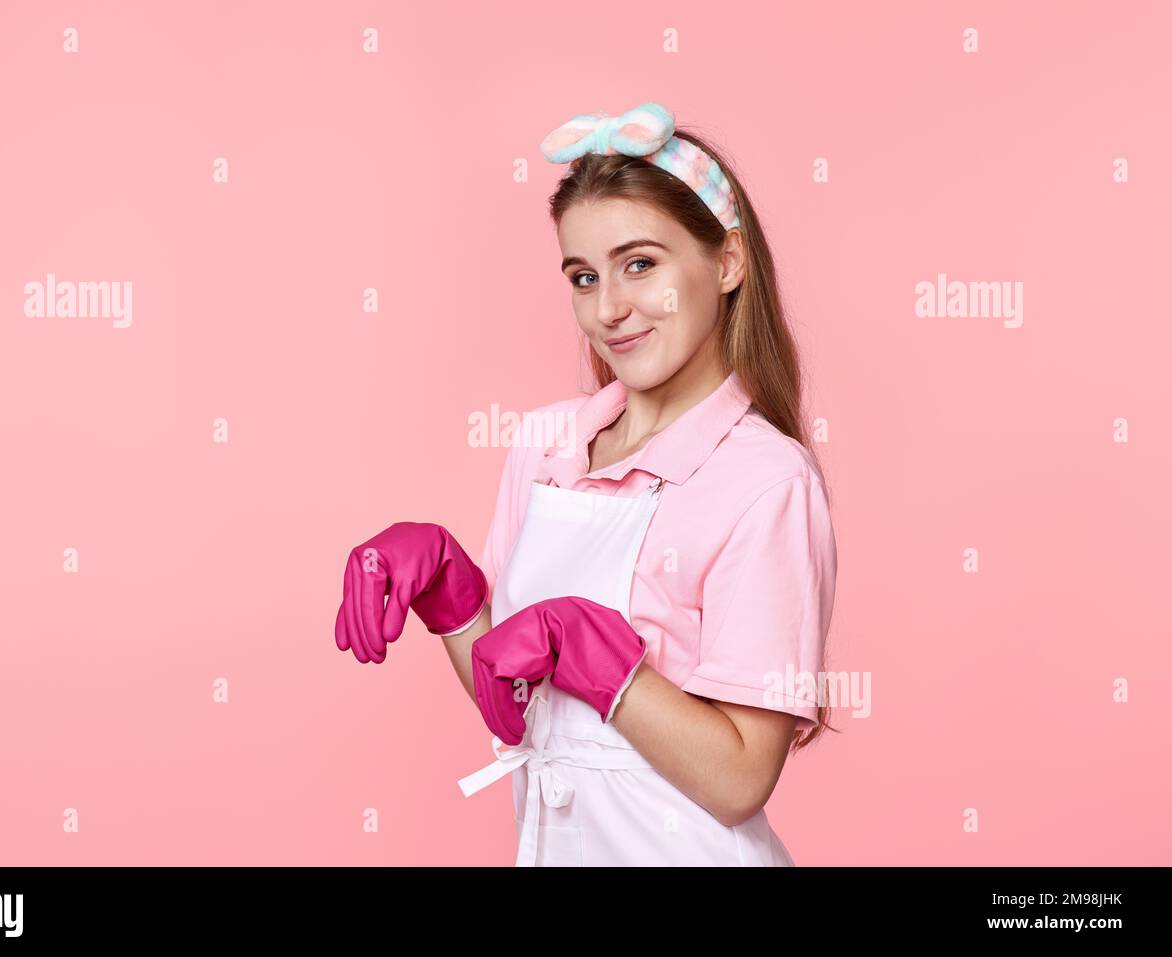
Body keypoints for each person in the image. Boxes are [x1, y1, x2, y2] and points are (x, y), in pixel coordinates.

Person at [335, 101, 838, 867]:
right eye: (584, 275)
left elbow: (740, 778)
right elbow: (517, 709)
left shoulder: (764, 481)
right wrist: (452, 593)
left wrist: (597, 652)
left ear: (728, 261)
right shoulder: (546, 444)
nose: (609, 309)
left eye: (642, 264)